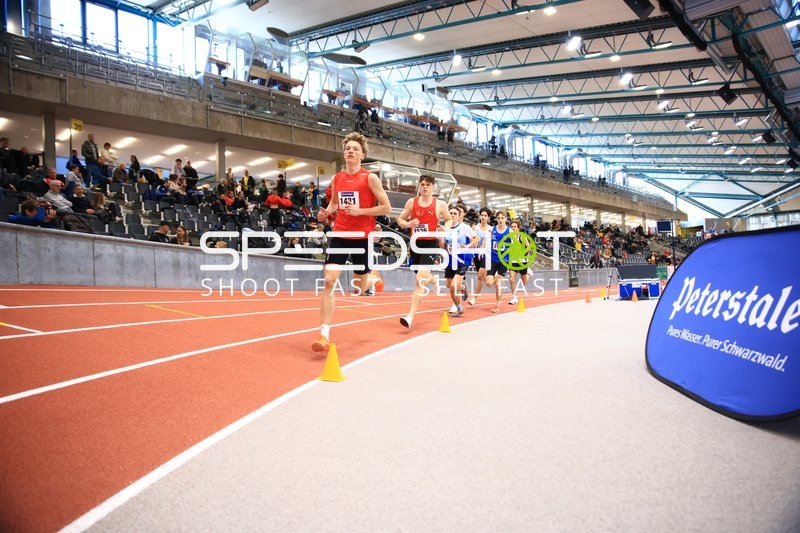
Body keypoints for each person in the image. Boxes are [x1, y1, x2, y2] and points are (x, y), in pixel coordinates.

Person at [311, 131, 392, 352]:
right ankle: (324, 334)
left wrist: (361, 211)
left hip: (362, 237)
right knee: (329, 280)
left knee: (358, 289)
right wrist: (324, 214)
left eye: (355, 149)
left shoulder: (370, 178)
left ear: (362, 154)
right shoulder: (337, 178)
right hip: (340, 234)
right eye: (347, 148)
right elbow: (334, 206)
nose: (350, 151)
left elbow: (386, 207)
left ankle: (372, 276)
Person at [396, 174, 452, 328]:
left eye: (427, 184)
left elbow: (448, 219)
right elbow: (400, 220)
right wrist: (408, 224)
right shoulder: (411, 202)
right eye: (422, 184)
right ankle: (433, 279)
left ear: (433, 186)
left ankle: (409, 317)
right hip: (415, 245)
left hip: (430, 245)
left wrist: (445, 228)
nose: (424, 186)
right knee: (421, 277)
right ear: (419, 186)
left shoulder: (440, 204)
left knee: (419, 280)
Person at [443, 204, 478, 317]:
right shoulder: (445, 229)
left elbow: (477, 239)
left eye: (455, 214)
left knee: (453, 286)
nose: (452, 215)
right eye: (451, 213)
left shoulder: (464, 227)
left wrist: (467, 246)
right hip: (450, 260)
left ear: (459, 216)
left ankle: (458, 308)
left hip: (463, 260)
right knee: (449, 285)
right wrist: (439, 237)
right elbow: (442, 246)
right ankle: (463, 288)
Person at [484, 209, 511, 313]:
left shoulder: (510, 231)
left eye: (502, 218)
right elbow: (486, 241)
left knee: (498, 284)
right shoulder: (492, 230)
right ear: (496, 219)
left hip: (504, 261)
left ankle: (497, 305)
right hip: (492, 260)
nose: (500, 220)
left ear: (506, 219)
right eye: (498, 218)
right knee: (489, 283)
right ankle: (497, 278)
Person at [467, 207, 492, 307]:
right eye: (482, 215)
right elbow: (471, 240)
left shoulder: (491, 229)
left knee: (480, 276)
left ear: (488, 218)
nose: (483, 217)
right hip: (476, 254)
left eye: (485, 215)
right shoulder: (474, 228)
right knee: (484, 279)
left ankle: (474, 298)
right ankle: (493, 280)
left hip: (486, 254)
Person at [506, 219, 530, 305]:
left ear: (518, 228)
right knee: (512, 279)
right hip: (513, 261)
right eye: (511, 227)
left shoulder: (522, 237)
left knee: (524, 282)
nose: (513, 228)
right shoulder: (509, 237)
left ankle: (528, 274)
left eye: (514, 227)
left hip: (522, 261)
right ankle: (514, 297)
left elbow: (529, 248)